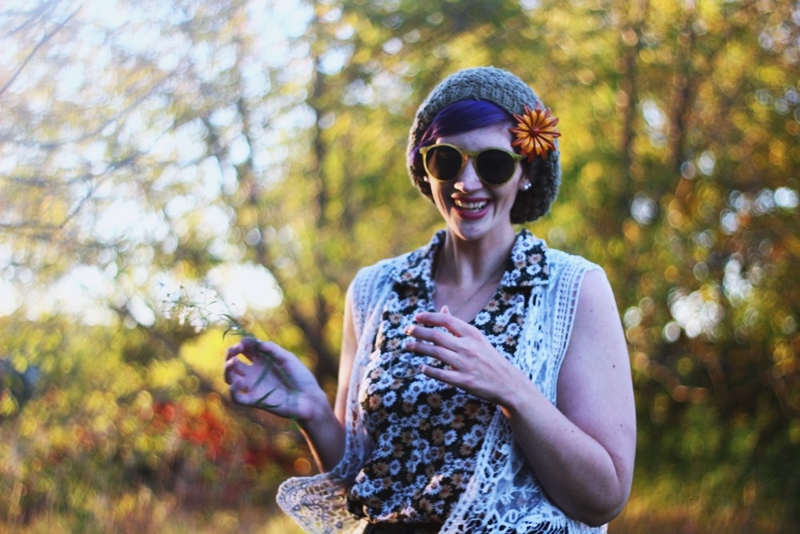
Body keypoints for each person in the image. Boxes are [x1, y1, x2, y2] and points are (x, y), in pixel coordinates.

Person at [224, 66, 636, 534]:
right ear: (425, 167)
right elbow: (366, 481)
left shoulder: (572, 287)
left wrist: (511, 389)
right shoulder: (374, 289)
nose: (468, 182)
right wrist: (313, 411)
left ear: (525, 172)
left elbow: (605, 497)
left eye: (494, 163)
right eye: (447, 160)